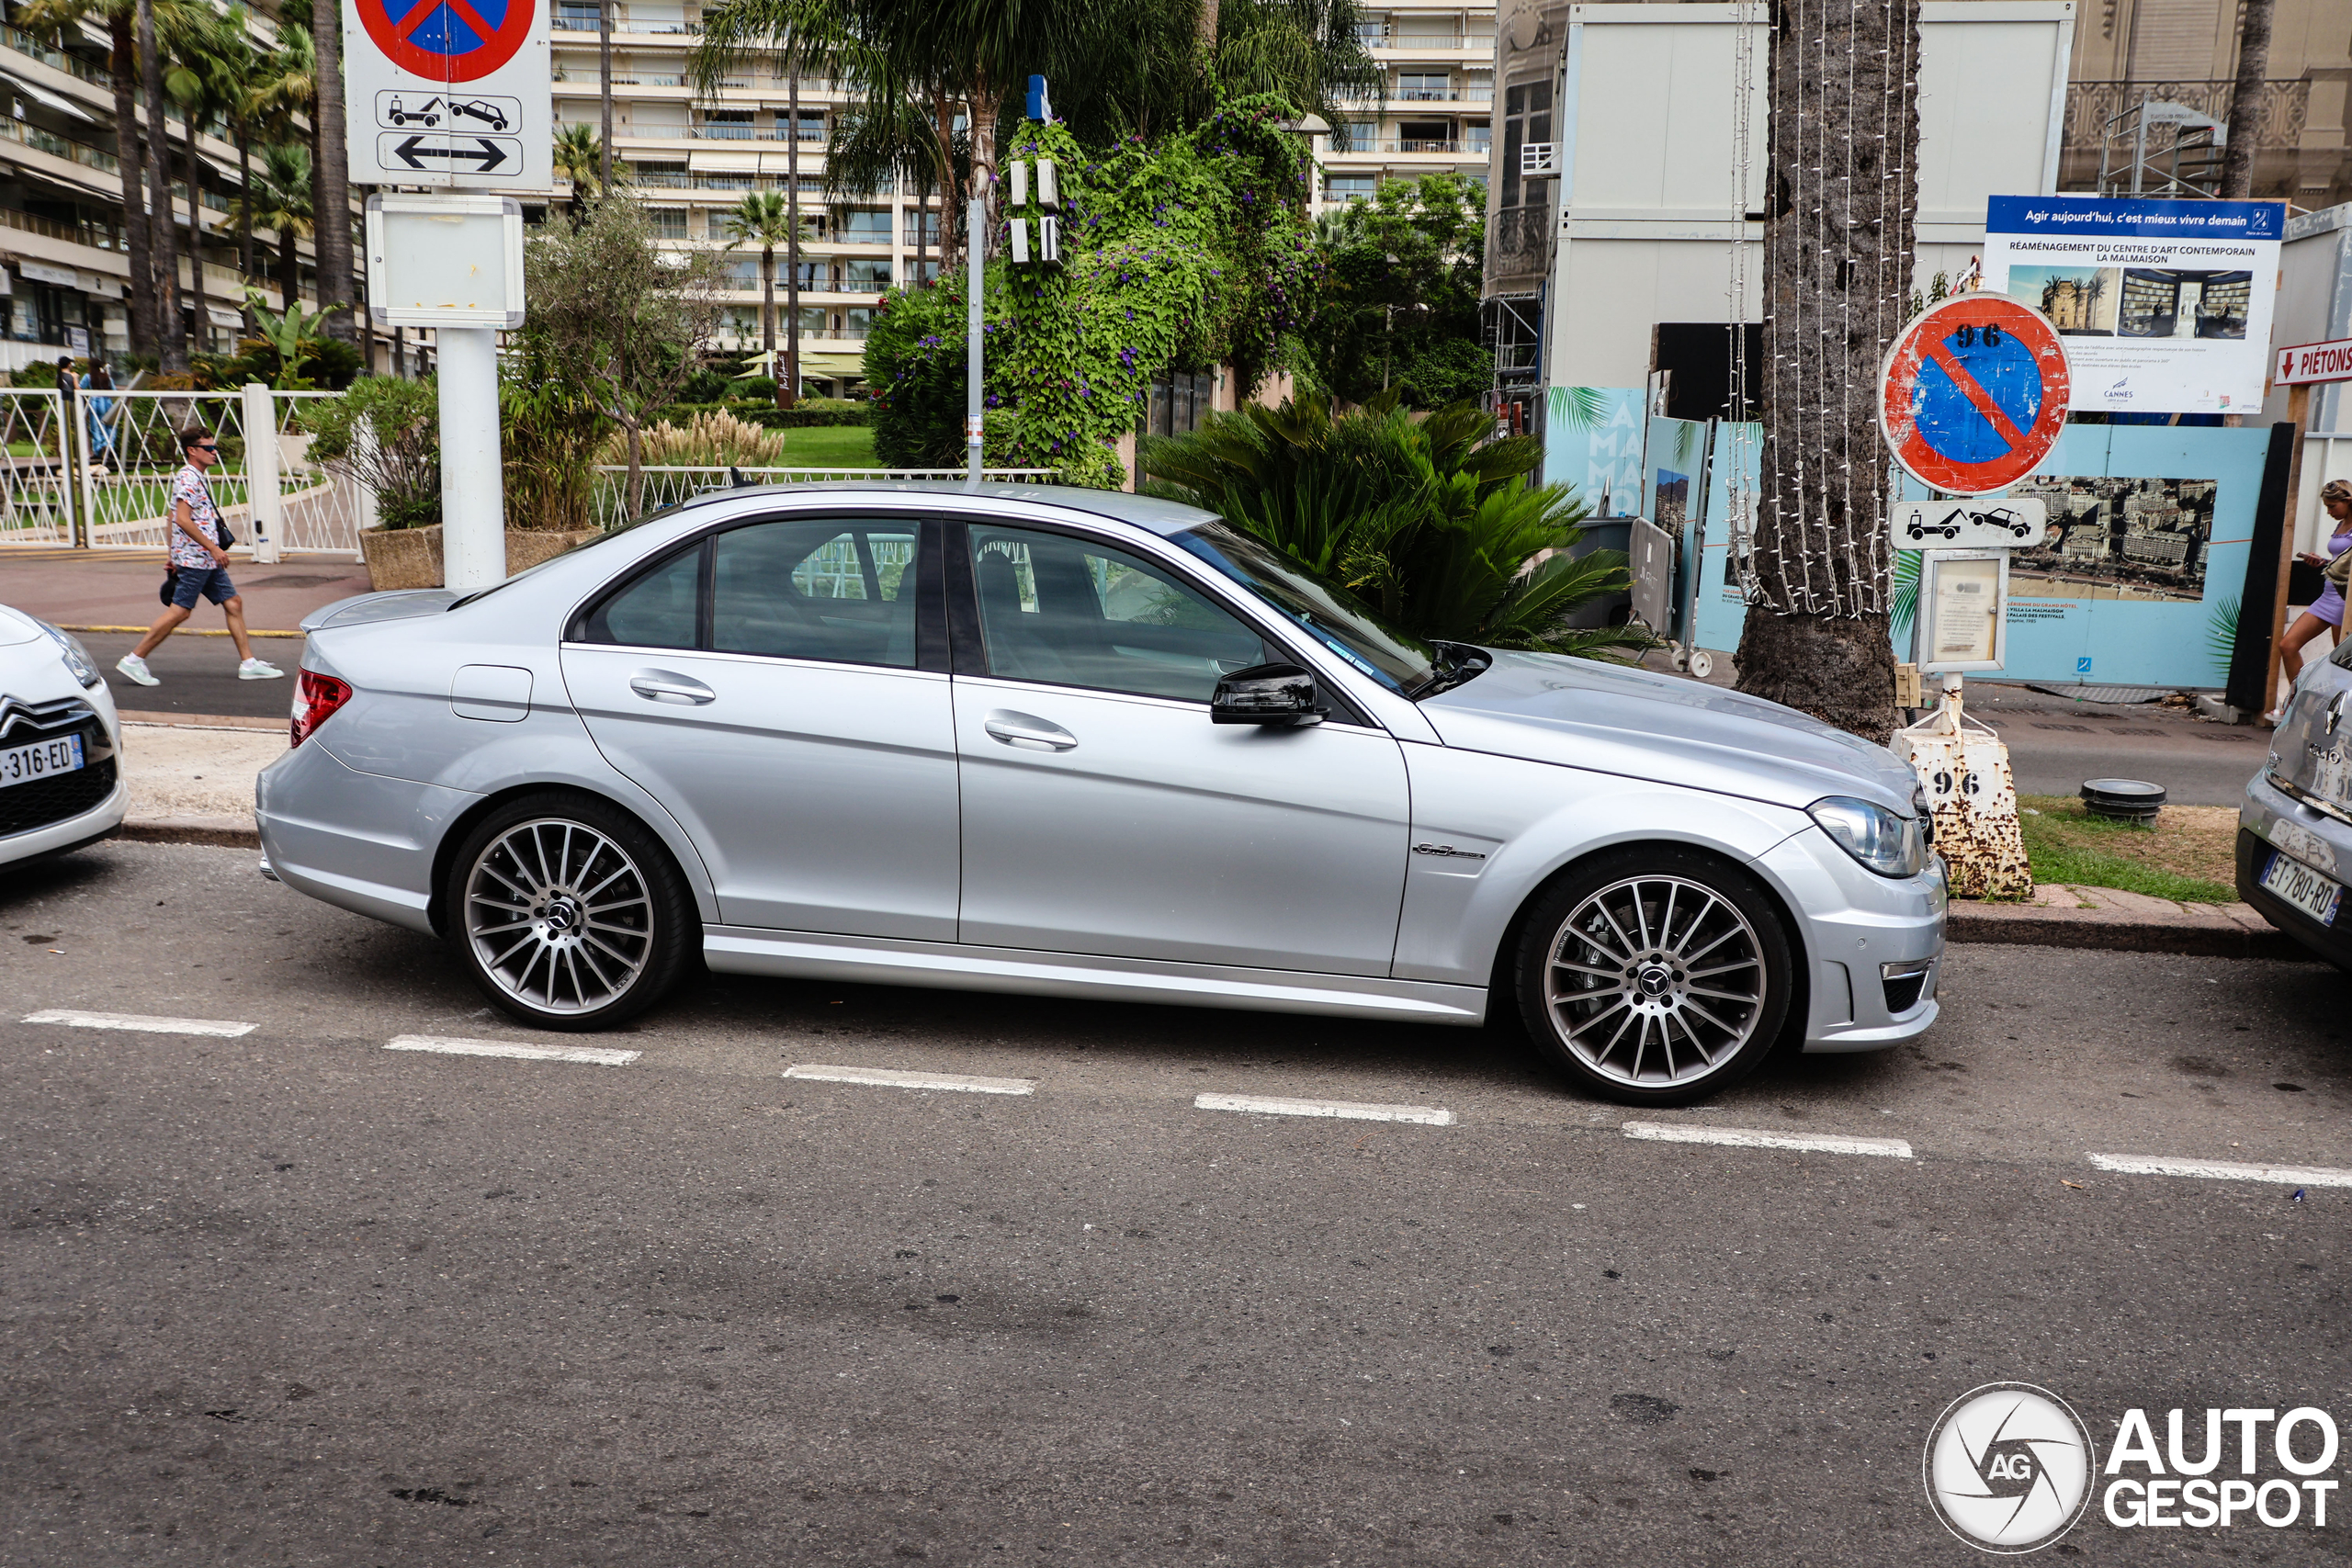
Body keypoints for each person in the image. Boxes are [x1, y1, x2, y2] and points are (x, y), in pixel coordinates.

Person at [115, 425, 282, 686]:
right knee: (180, 612)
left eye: (214, 447)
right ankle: (134, 659)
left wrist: (173, 554)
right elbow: (182, 519)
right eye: (209, 448)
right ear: (192, 451)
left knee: (233, 603)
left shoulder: (194, 476)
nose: (214, 452)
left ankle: (249, 664)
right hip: (197, 559)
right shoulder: (189, 478)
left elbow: (171, 516)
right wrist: (213, 548)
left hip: (203, 558)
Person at [2272, 479, 2352, 723]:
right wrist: (2322, 562)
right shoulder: (2342, 523)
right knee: (2287, 645)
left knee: (2342, 665)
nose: (2328, 511)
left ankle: (2339, 718)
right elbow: (2341, 561)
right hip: (2328, 595)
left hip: (2345, 598)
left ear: (2348, 502)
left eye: (2332, 505)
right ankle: (2299, 707)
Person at [80, 362, 116, 471]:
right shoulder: (107, 377)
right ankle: (109, 448)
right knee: (109, 426)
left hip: (94, 402)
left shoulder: (88, 376)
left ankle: (98, 450)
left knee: (96, 427)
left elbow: (80, 388)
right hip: (107, 403)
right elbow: (114, 390)